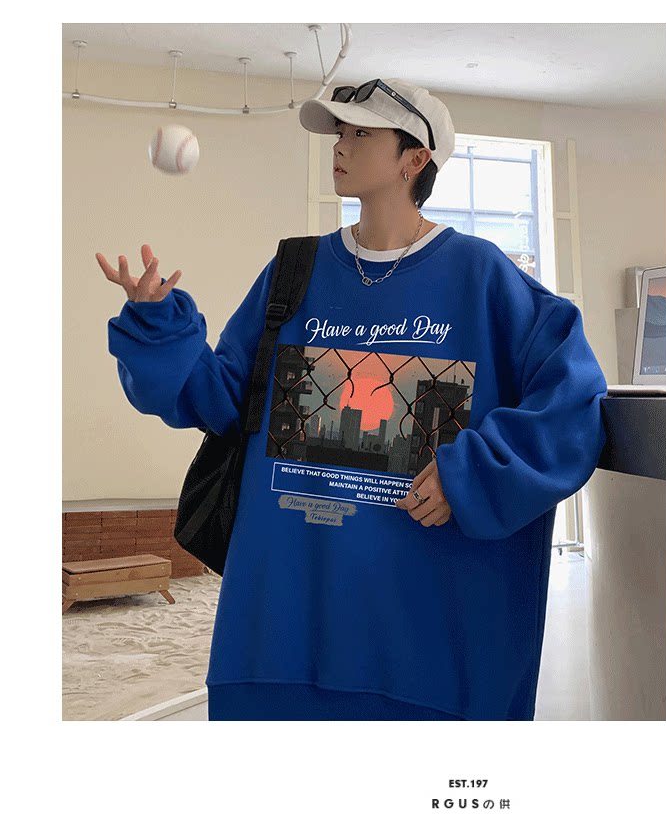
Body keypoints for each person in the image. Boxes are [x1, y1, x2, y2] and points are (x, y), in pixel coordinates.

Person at [96, 77, 608, 721]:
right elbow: (220, 398)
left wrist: (474, 474)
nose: (340, 145)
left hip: (430, 653)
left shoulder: (483, 278)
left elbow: (573, 400)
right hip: (282, 637)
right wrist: (157, 325)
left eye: (362, 133)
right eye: (340, 131)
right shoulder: (295, 271)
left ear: (415, 159)